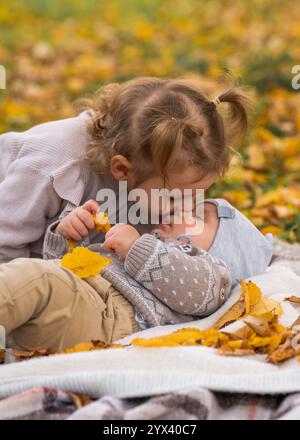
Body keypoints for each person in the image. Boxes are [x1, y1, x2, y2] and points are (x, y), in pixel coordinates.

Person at [0, 76, 250, 263]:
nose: (186, 208)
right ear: (122, 169)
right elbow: (5, 244)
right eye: (174, 197)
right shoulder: (52, 165)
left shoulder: (150, 179)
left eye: (198, 193)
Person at [0, 198, 272, 352]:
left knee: (35, 279)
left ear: (224, 250)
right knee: (31, 286)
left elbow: (193, 287)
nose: (181, 213)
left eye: (198, 215)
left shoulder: (214, 274)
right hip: (76, 301)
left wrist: (135, 247)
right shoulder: (150, 249)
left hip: (106, 313)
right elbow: (62, 269)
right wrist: (65, 237)